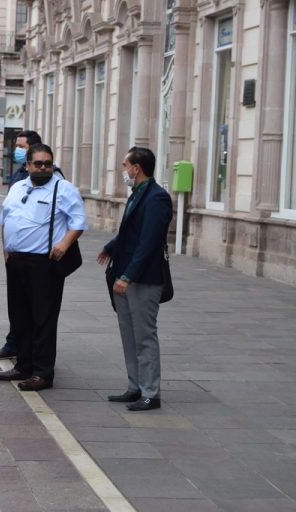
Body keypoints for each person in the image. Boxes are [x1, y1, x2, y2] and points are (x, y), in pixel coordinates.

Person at [0, 143, 87, 391]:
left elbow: (78, 221)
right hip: (16, 261)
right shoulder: (16, 188)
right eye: (38, 163)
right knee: (19, 316)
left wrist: (65, 244)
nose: (44, 167)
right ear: (27, 166)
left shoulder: (63, 189)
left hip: (44, 263)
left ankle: (43, 372)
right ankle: (24, 365)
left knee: (43, 319)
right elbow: (6, 221)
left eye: (48, 163)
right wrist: (7, 254)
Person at [97, 146, 173, 411]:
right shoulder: (137, 194)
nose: (123, 171)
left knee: (144, 336)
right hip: (125, 275)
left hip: (144, 279)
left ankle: (151, 392)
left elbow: (149, 241)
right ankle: (135, 386)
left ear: (137, 168)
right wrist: (110, 247)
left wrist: (128, 276)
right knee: (129, 335)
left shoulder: (156, 198)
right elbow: (131, 232)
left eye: (125, 165)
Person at [0, 130, 44, 360]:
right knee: (17, 304)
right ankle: (15, 344)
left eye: (21, 146)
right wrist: (6, 249)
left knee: (34, 306)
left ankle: (31, 351)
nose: (16, 150)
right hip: (15, 253)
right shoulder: (19, 175)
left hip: (36, 254)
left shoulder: (46, 177)